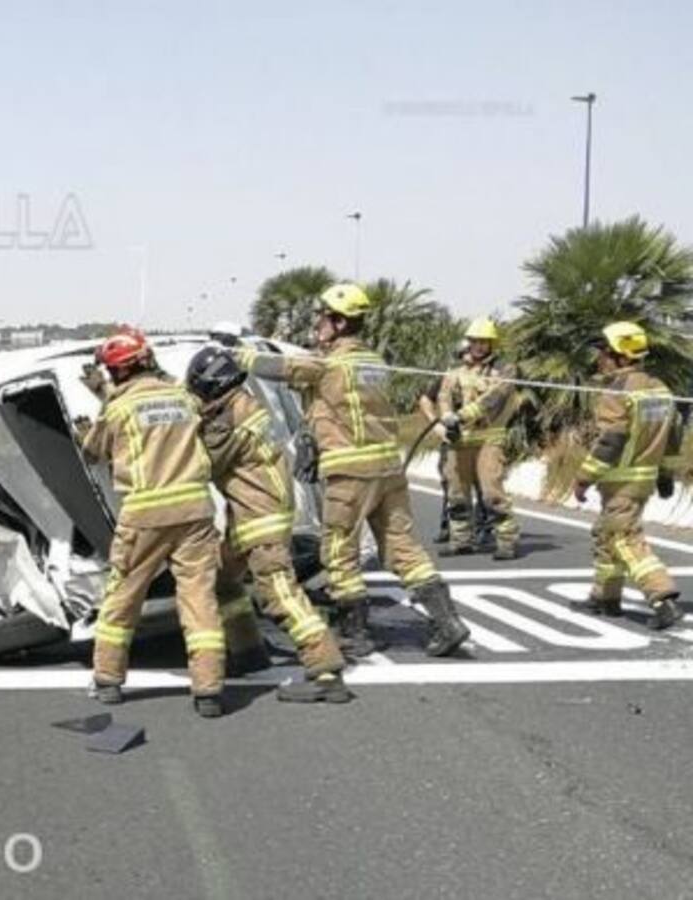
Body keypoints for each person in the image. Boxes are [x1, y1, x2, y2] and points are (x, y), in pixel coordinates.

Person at [236, 283, 470, 658]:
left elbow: (280, 368)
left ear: (341, 322)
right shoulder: (374, 362)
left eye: (323, 317)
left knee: (339, 550)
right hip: (388, 469)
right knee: (404, 548)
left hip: (350, 471)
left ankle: (355, 633)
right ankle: (448, 622)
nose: (317, 323)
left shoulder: (330, 362)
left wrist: (239, 354)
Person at [186, 345, 351, 703]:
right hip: (254, 514)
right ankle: (248, 651)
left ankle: (326, 670)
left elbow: (203, 463)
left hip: (259, 518)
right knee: (223, 578)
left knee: (279, 593)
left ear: (211, 387)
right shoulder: (245, 404)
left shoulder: (230, 420)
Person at [77, 329, 227, 718]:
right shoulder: (183, 398)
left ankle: (108, 680)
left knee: (124, 596)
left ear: (116, 371)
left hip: (145, 515)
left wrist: (90, 424)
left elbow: (93, 452)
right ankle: (208, 689)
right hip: (195, 512)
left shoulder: (118, 408)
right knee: (199, 599)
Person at [569, 322, 684, 629]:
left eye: (603, 353)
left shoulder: (618, 391)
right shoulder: (659, 388)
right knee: (606, 534)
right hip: (644, 478)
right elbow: (673, 436)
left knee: (624, 538)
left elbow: (611, 442)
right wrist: (666, 474)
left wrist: (583, 478)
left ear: (620, 355)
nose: (599, 360)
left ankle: (662, 598)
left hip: (620, 480)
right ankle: (605, 597)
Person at [437, 318, 522, 560]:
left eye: (484, 341)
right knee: (456, 492)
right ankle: (461, 540)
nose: (479, 346)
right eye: (475, 341)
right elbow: (443, 396)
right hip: (460, 439)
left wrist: (463, 414)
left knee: (491, 492)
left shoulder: (505, 370)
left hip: (489, 439)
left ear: (492, 344)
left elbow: (494, 398)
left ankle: (507, 541)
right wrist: (447, 418)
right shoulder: (455, 372)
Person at [417, 339, 469, 545]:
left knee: (483, 486)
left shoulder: (488, 377)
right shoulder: (450, 377)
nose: (468, 358)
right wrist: (437, 426)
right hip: (453, 437)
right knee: (450, 482)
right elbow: (425, 400)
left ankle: (484, 528)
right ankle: (448, 527)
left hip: (480, 438)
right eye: (464, 354)